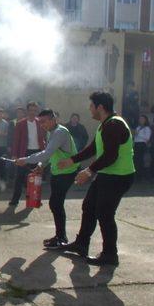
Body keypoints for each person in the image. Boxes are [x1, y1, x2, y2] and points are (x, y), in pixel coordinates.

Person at [55, 92, 135, 266]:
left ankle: (110, 255)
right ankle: (81, 244)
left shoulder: (113, 125)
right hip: (108, 174)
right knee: (89, 206)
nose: (89, 109)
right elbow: (93, 148)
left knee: (105, 213)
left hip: (119, 176)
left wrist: (88, 171)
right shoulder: (104, 124)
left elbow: (111, 156)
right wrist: (72, 160)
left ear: (100, 107)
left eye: (91, 106)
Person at [15, 109, 80, 249]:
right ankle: (60, 236)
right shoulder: (52, 132)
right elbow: (51, 154)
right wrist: (41, 165)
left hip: (67, 172)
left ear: (53, 119)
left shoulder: (60, 132)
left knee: (56, 203)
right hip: (58, 172)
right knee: (56, 203)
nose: (42, 125)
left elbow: (47, 152)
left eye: (44, 122)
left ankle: (61, 238)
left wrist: (26, 160)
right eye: (40, 122)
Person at [9, 102, 46, 206]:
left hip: (37, 152)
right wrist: (14, 154)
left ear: (37, 111)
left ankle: (35, 198)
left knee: (36, 177)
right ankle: (15, 200)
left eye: (35, 110)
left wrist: (45, 152)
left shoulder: (40, 123)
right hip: (24, 153)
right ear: (27, 111)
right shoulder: (20, 123)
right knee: (19, 177)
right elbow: (16, 140)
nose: (33, 112)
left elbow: (43, 138)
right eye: (31, 110)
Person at [133, 114, 151, 180]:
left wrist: (138, 134)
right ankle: (136, 175)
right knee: (136, 160)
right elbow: (135, 137)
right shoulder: (137, 127)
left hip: (142, 145)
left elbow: (147, 138)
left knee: (140, 160)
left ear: (145, 120)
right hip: (136, 144)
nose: (141, 120)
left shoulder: (147, 128)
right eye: (140, 119)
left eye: (142, 119)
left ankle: (140, 176)